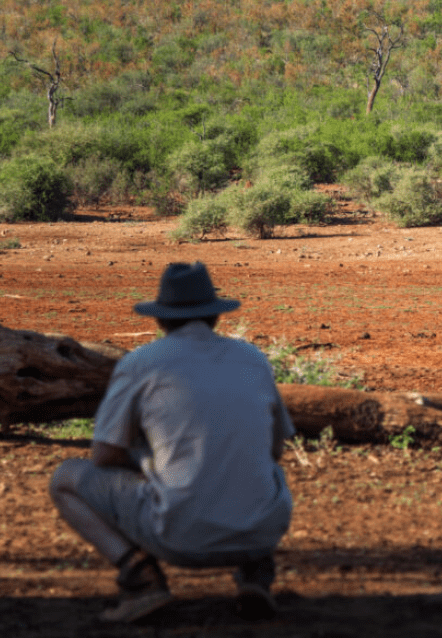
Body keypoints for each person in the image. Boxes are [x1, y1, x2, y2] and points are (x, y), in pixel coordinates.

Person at [49, 261, 295, 623]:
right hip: (260, 532)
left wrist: (151, 462)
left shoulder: (143, 362)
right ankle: (255, 575)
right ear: (214, 316)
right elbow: (275, 450)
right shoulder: (252, 359)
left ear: (161, 319)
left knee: (66, 478)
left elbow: (103, 454)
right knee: (260, 469)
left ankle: (141, 580)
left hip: (180, 536)